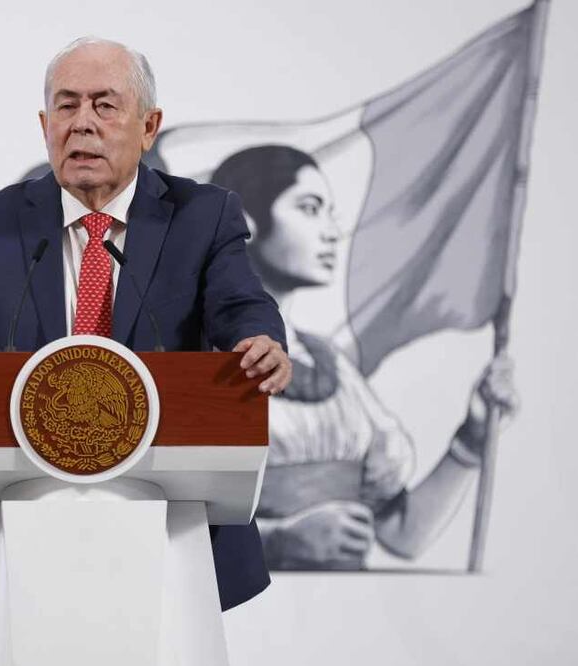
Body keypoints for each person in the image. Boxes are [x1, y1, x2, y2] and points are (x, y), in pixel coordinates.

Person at [0, 37, 292, 611]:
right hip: (22, 525)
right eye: (66, 106)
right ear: (45, 124)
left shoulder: (203, 214)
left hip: (169, 522)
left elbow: (242, 306)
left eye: (105, 105)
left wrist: (260, 342)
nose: (82, 124)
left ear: (149, 126)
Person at [210, 145, 518, 570]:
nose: (333, 231)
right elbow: (166, 526)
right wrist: (277, 543)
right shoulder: (195, 355)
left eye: (330, 211)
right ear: (243, 225)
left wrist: (473, 437)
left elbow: (401, 535)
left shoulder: (330, 365)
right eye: (310, 208)